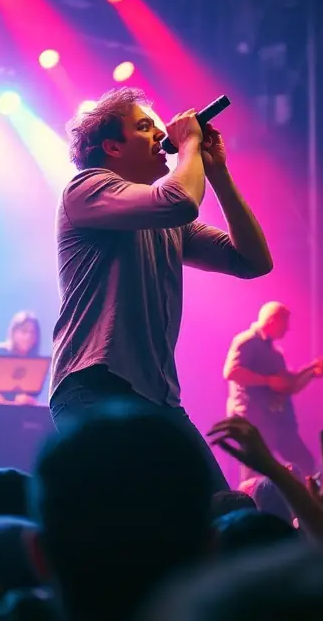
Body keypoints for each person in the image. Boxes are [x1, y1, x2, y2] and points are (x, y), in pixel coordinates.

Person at [49, 87, 273, 492]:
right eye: (143, 127)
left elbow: (253, 261)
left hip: (156, 396)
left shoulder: (168, 216)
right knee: (141, 523)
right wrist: (188, 144)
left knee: (225, 510)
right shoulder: (86, 188)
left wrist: (217, 172)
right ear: (112, 147)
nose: (159, 135)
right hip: (95, 386)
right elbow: (180, 200)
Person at [224, 302, 319, 481]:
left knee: (306, 464)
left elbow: (288, 387)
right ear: (272, 320)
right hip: (252, 420)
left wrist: (312, 373)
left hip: (275, 421)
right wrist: (268, 380)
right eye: (285, 323)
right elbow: (231, 372)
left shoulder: (276, 353)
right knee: (255, 474)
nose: (288, 329)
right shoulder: (246, 340)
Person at [0, 311, 44, 403]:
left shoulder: (37, 362)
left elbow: (34, 396)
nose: (28, 336)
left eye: (32, 333)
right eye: (24, 331)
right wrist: (1, 399)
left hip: (22, 414)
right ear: (13, 332)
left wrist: (27, 400)